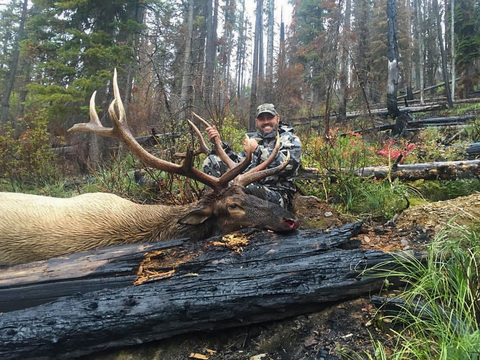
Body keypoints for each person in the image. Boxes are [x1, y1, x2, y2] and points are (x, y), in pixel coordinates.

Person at [202, 103, 302, 210]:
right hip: (251, 187)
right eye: (262, 119)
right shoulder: (256, 139)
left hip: (278, 195)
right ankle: (210, 208)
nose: (266, 122)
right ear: (257, 122)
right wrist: (220, 144)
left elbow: (290, 165)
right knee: (212, 161)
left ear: (278, 118)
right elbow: (239, 163)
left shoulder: (289, 139)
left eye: (270, 117)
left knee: (240, 189)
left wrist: (258, 150)